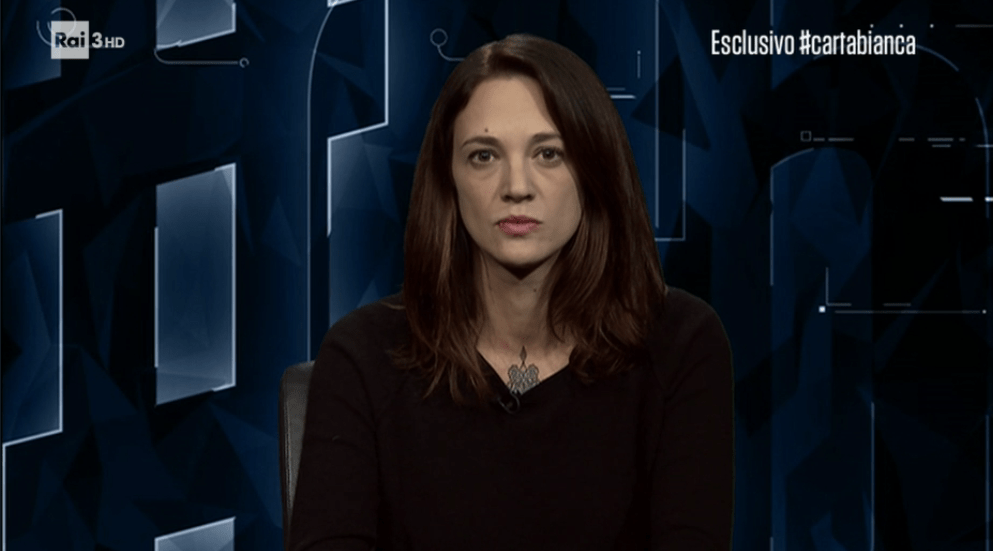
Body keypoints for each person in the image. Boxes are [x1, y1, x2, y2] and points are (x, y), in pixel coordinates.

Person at [289, 33, 734, 551]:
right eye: (483, 156)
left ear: (594, 171)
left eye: (549, 153)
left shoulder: (681, 344)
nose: (516, 186)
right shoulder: (363, 356)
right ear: (449, 179)